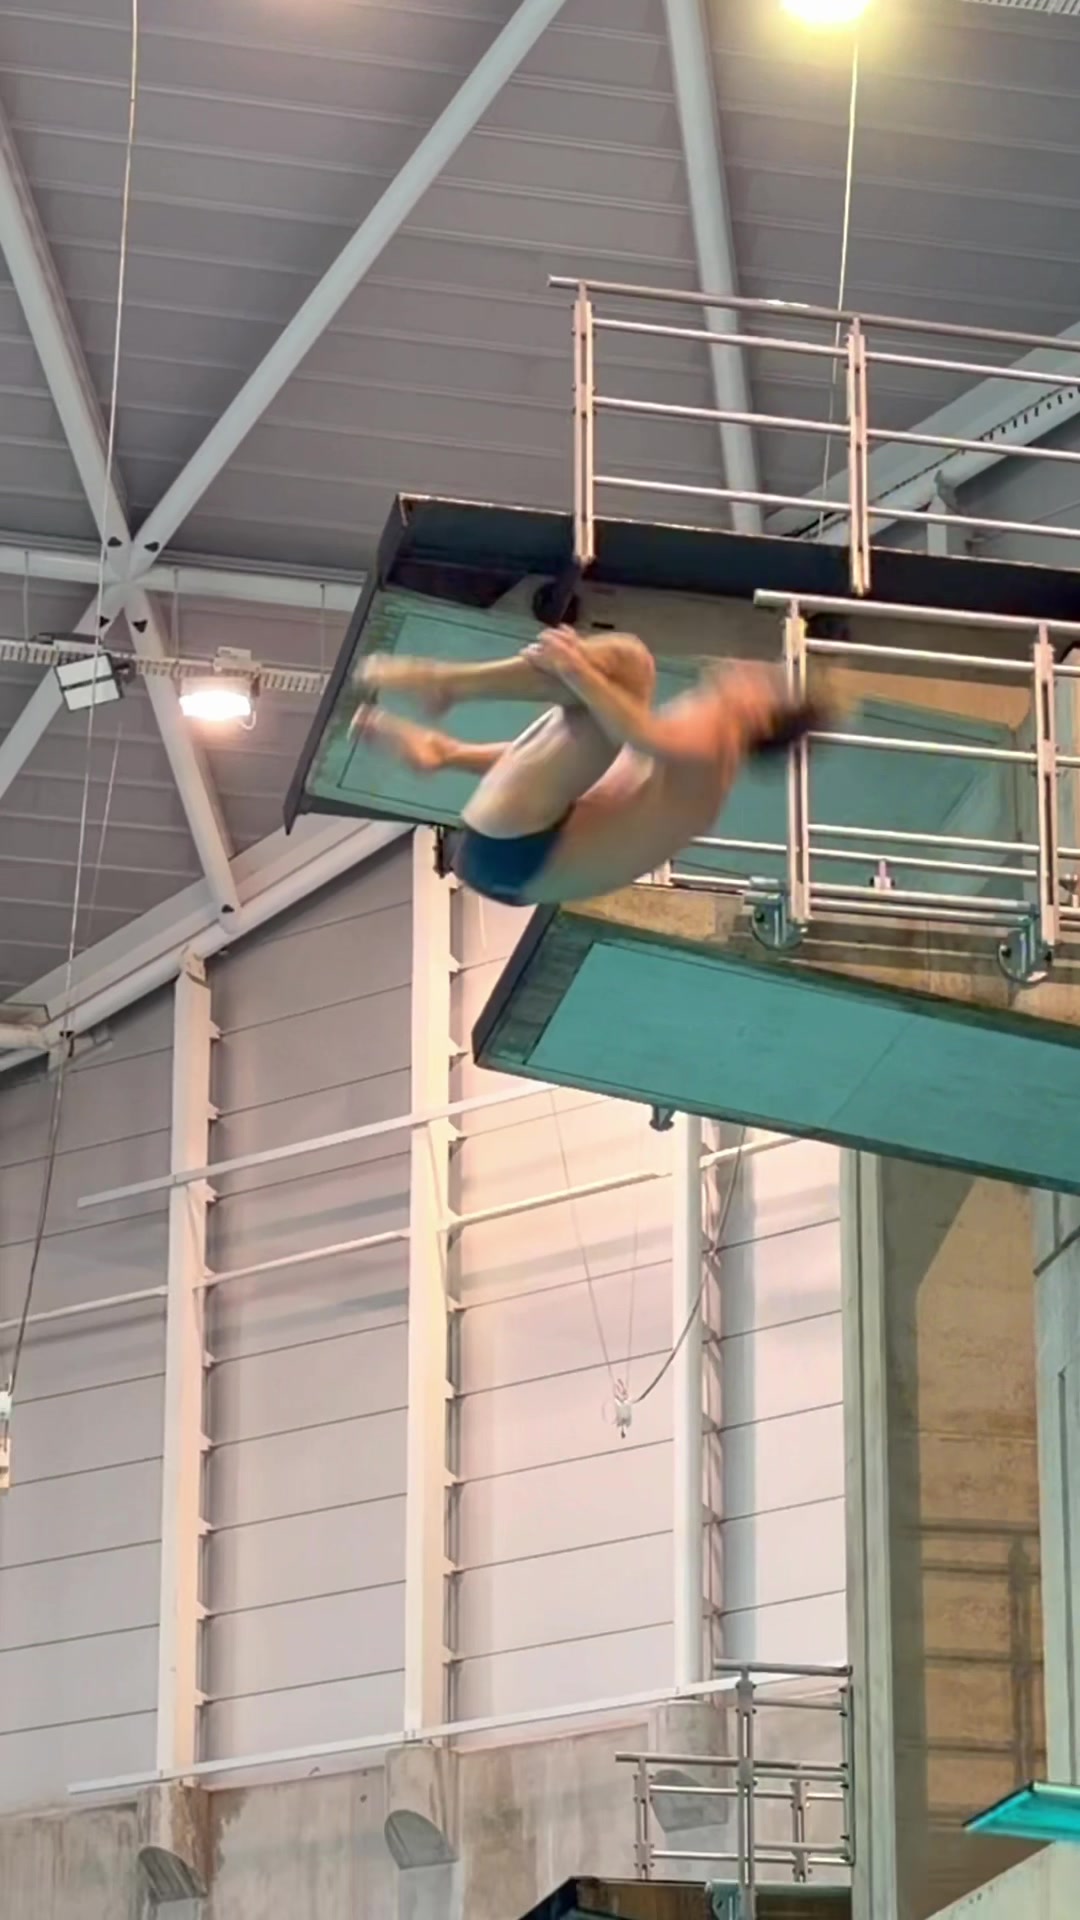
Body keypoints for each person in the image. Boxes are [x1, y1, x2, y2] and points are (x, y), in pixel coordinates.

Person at [350, 625, 842, 906]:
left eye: (763, 682)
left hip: (525, 852)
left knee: (628, 664)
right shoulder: (688, 762)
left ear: (761, 717)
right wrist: (458, 755)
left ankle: (447, 684)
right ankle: (442, 740)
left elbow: (636, 731)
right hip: (514, 860)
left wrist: (574, 665)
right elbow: (573, 770)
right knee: (601, 691)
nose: (746, 668)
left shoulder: (715, 744)